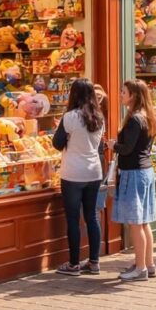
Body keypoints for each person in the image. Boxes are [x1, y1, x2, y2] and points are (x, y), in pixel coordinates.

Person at [52, 79, 105, 276]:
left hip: (73, 173)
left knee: (73, 219)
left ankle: (74, 264)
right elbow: (99, 146)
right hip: (94, 172)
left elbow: (57, 143)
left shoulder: (70, 117)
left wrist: (67, 138)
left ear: (73, 94)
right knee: (92, 217)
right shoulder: (99, 117)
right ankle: (94, 261)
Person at [110, 79, 156, 281]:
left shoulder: (135, 119)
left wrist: (113, 145)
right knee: (144, 221)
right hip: (145, 171)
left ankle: (140, 268)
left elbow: (127, 148)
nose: (121, 95)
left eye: (124, 92)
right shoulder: (147, 117)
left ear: (134, 96)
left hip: (134, 173)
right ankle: (148, 263)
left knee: (135, 223)